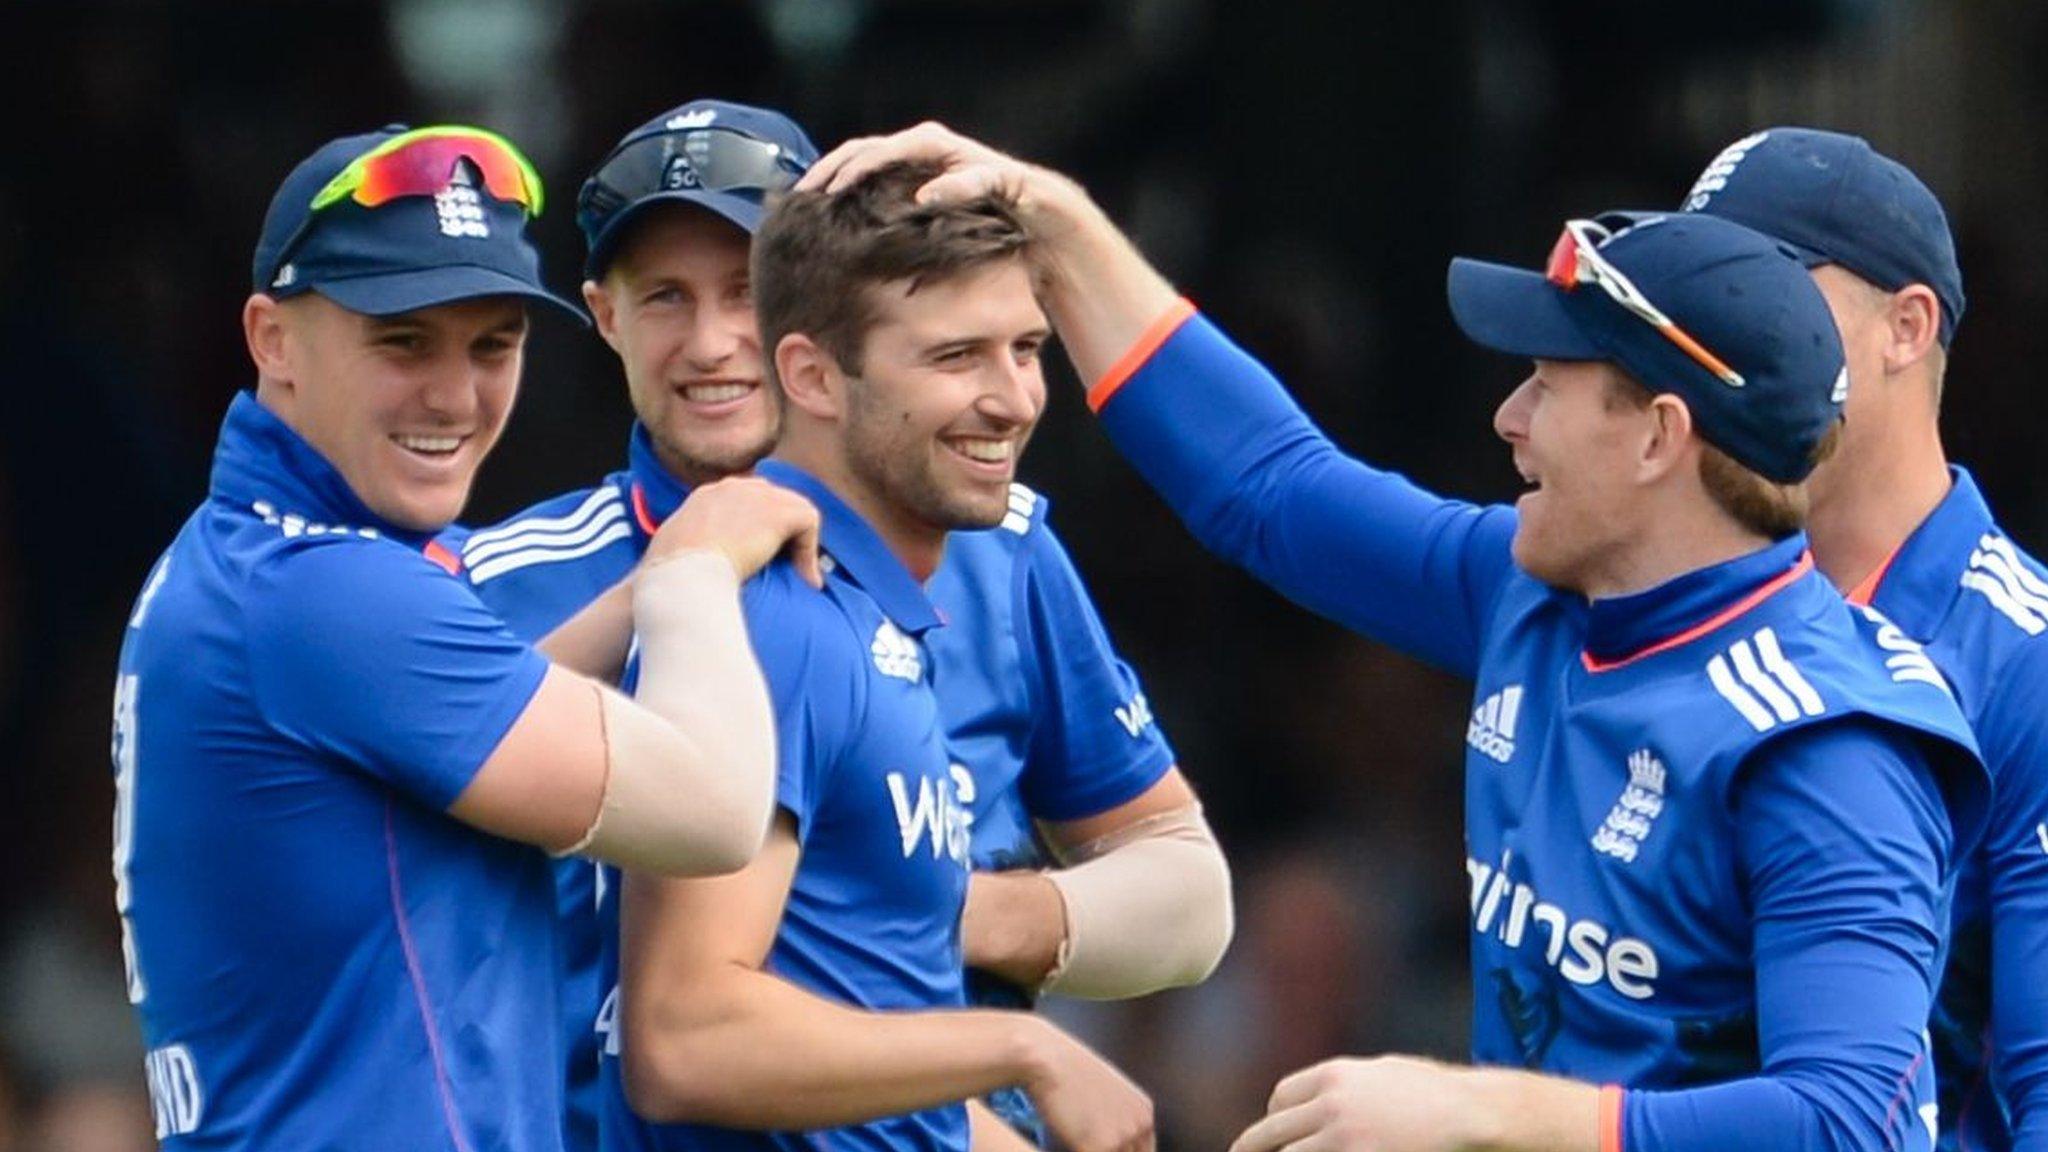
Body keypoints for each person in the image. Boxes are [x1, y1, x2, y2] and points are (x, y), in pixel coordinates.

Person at [802, 125, 1992, 1152]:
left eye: (1548, 383)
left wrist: (1474, 1114)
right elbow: (1268, 488)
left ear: (1655, 439)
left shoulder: (1831, 744)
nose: (1506, 418)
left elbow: (1849, 1122)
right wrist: (1054, 226)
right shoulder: (1538, 592)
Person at [449, 100, 1231, 1151]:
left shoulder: (996, 542)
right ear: (603, 313)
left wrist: (965, 916)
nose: (719, 340)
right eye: (667, 296)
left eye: (745, 288)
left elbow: (1185, 885)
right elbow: (674, 1023)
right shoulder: (497, 582)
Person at [110, 125, 818, 1151]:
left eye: (492, 344)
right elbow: (712, 814)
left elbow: (487, 698)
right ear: (272, 339)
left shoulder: (261, 558)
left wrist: (644, 588)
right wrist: (702, 560)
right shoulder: (325, 596)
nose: (453, 395)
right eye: (402, 341)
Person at [1683, 126, 2048, 1152]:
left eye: (1763, 283)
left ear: (1904, 326)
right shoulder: (1665, 583)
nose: (1721, 327)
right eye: (1699, 292)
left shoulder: (2025, 663)